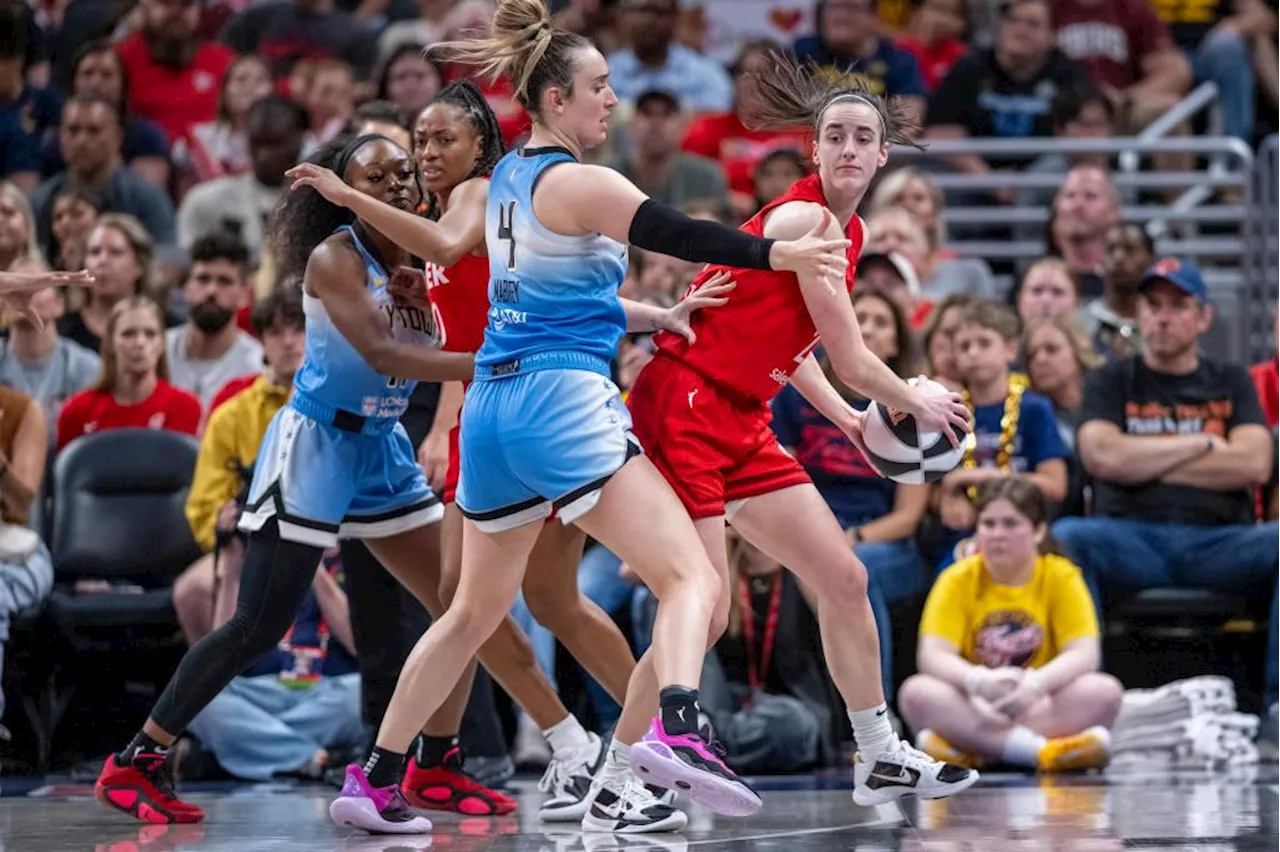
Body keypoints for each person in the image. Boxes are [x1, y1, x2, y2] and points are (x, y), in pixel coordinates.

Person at [308, 0, 853, 833]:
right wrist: (776, 252)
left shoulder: (503, 184)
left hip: (491, 412)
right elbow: (681, 230)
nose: (612, 101)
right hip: (563, 404)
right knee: (692, 579)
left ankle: (376, 779)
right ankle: (678, 726)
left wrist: (652, 318)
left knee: (469, 615)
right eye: (599, 87)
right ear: (553, 100)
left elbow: (558, 293)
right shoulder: (585, 180)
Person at [90, 132, 582, 828]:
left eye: (401, 174)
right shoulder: (333, 257)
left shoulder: (419, 255)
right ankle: (137, 760)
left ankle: (436, 764)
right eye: (373, 178)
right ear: (345, 194)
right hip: (318, 444)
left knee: (461, 606)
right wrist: (495, 364)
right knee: (258, 625)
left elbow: (443, 327)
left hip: (381, 447)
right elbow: (382, 351)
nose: (394, 185)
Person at [286, 78, 736, 831]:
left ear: (483, 146)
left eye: (442, 140)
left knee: (485, 605)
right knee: (505, 603)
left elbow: (480, 275)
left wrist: (347, 195)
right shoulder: (460, 211)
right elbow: (498, 304)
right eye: (419, 140)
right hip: (517, 408)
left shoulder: (480, 199)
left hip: (510, 408)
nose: (427, 153)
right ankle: (624, 747)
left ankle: (591, 751)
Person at [613, 50, 977, 810]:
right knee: (705, 608)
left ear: (882, 155)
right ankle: (618, 778)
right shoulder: (807, 217)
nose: (848, 149)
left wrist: (849, 418)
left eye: (861, 139)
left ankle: (877, 753)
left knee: (844, 576)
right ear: (813, 150)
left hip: (740, 415)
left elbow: (800, 343)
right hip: (684, 401)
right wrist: (917, 402)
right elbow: (849, 351)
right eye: (834, 136)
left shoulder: (852, 229)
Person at [898, 476, 1123, 771]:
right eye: (988, 524)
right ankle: (1038, 753)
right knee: (916, 693)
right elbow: (932, 655)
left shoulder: (1061, 575)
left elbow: (1084, 653)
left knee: (1104, 692)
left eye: (1011, 524)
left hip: (1037, 701)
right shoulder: (956, 579)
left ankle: (975, 750)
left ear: (1039, 531)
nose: (997, 534)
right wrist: (978, 681)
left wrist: (1037, 684)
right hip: (976, 702)